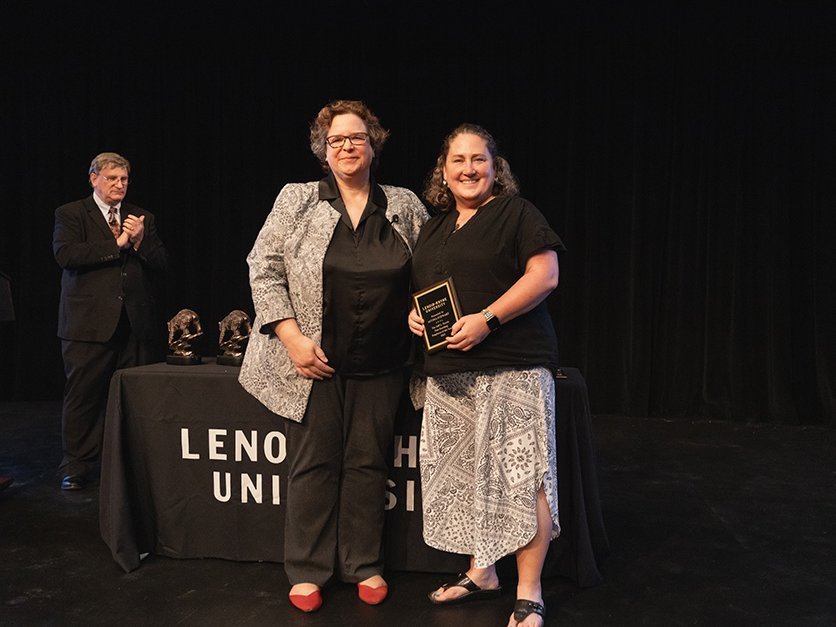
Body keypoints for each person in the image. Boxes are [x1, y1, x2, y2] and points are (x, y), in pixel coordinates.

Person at [238, 100, 429, 613]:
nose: (347, 147)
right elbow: (264, 266)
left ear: (375, 145)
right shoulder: (297, 199)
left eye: (357, 138)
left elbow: (430, 271)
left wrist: (421, 313)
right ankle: (307, 569)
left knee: (369, 464)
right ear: (323, 150)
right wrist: (292, 338)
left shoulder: (405, 203)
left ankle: (364, 563)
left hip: (384, 361)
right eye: (337, 140)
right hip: (314, 361)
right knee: (314, 464)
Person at [408, 124, 566, 627]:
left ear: (496, 169)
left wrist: (488, 320)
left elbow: (545, 276)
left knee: (523, 478)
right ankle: (482, 572)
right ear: (444, 170)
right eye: (458, 160)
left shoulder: (518, 214)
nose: (468, 169)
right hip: (450, 372)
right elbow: (429, 291)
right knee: (469, 476)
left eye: (479, 160)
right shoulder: (434, 227)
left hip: (513, 363)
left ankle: (529, 592)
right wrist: (413, 317)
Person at [53, 152, 169, 491]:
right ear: (94, 179)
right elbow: (66, 255)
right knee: (84, 396)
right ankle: (76, 465)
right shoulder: (71, 213)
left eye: (124, 180)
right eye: (112, 179)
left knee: (134, 397)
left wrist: (140, 242)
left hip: (134, 324)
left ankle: (130, 464)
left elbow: (162, 263)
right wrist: (116, 244)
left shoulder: (141, 217)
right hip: (87, 325)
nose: (119, 185)